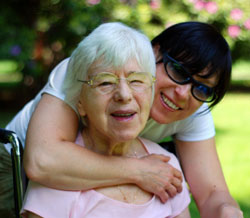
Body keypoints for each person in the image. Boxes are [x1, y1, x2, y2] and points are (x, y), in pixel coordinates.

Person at [2, 21, 243, 218]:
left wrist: (227, 210)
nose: (183, 93)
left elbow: (212, 193)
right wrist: (139, 171)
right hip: (12, 165)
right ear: (153, 51)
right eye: (179, 71)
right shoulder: (87, 72)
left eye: (202, 88)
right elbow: (42, 161)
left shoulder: (193, 107)